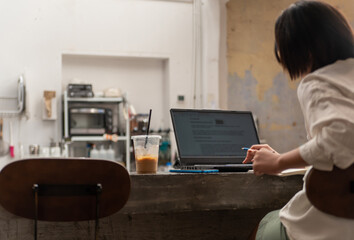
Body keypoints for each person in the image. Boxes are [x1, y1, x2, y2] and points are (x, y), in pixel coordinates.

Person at [242, 1, 354, 240]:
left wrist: (279, 162)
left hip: (333, 223)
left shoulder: (318, 82)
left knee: (265, 224)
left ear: (304, 51)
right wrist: (286, 159)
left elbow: (341, 136)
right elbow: (343, 157)